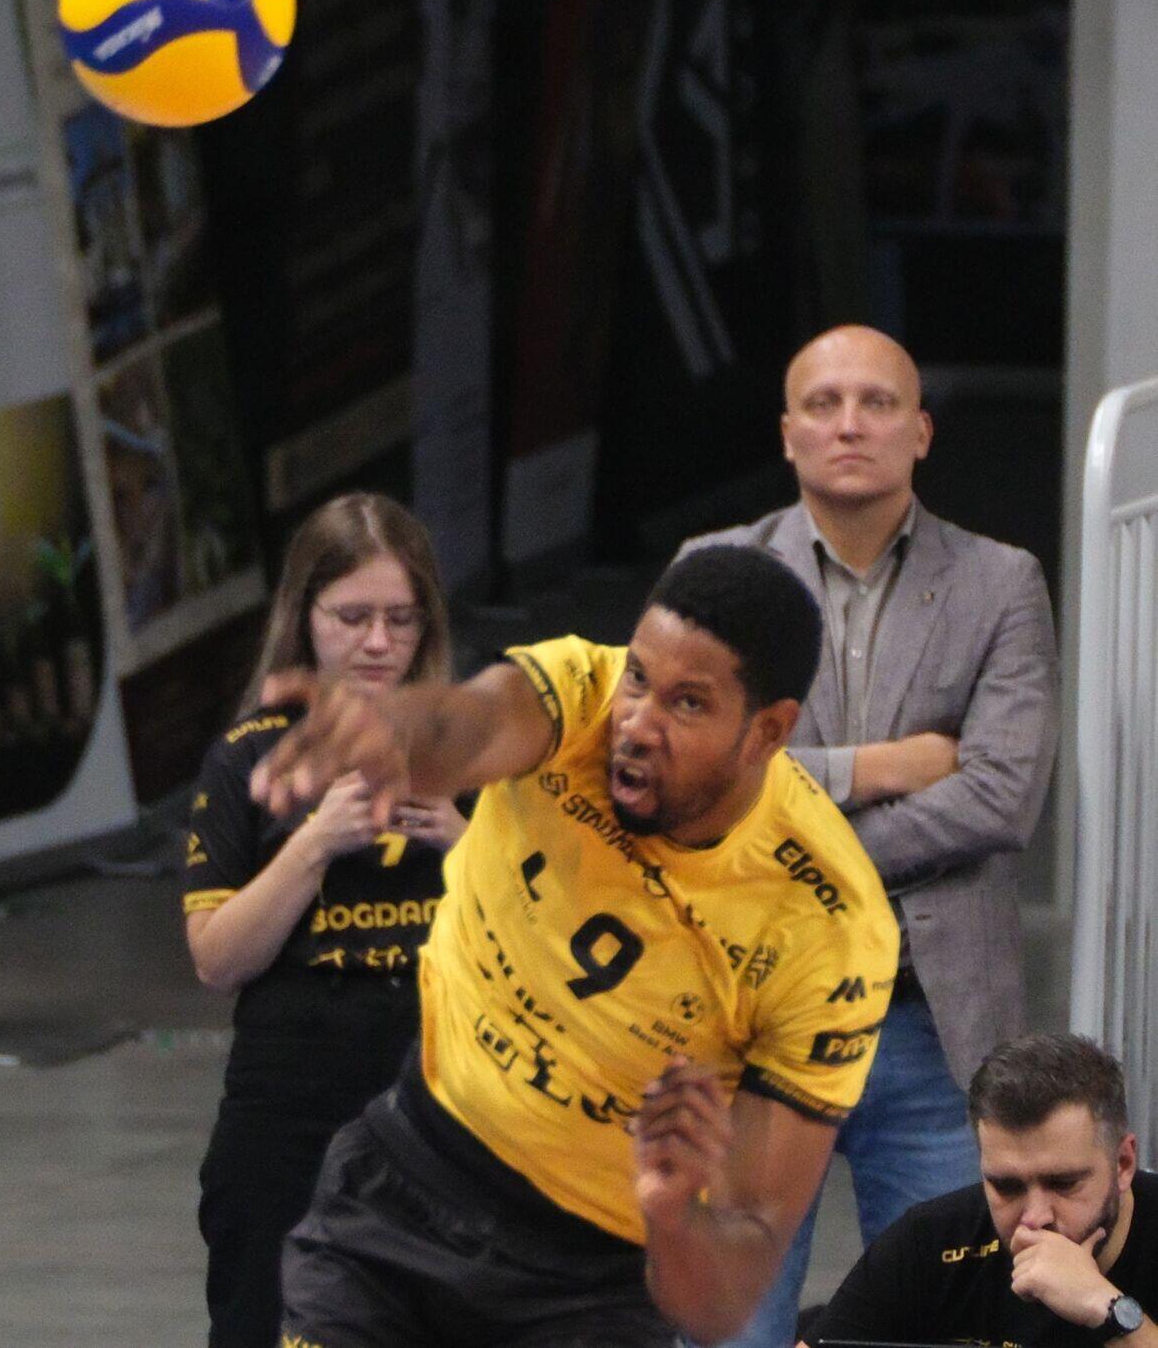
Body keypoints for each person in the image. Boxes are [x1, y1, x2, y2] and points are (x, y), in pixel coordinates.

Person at [251, 545, 900, 1348]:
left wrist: (673, 1215)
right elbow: (468, 723)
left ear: (768, 730)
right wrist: (395, 729)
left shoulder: (827, 928)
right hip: (404, 1186)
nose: (638, 724)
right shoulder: (579, 696)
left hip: (588, 1292)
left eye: (688, 704)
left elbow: (725, 1299)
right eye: (639, 678)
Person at [680, 324, 1059, 1347]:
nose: (851, 423)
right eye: (825, 403)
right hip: (748, 1027)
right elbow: (681, 777)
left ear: (921, 431)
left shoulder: (1000, 582)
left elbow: (1001, 795)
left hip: (930, 1031)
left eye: (878, 402)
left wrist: (790, 825)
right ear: (788, 433)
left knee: (944, 1329)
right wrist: (880, 767)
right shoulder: (713, 574)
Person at [182, 492, 466, 1348]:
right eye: (352, 618)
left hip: (442, 1088)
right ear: (304, 617)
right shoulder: (251, 756)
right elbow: (216, 960)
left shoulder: (477, 751)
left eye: (400, 620)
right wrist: (313, 846)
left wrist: (468, 842)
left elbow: (559, 938)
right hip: (291, 1091)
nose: (378, 643)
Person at [807, 1033, 1158, 1347]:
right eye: (1006, 1186)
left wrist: (1105, 1309)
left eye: (1063, 1183)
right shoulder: (932, 1241)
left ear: (1123, 1163)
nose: (1035, 1218)